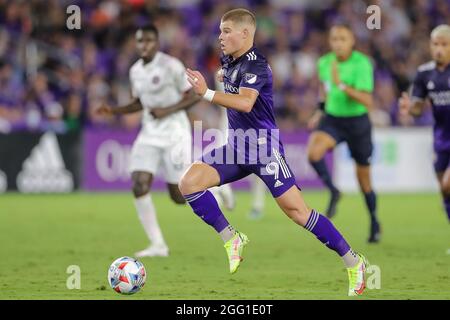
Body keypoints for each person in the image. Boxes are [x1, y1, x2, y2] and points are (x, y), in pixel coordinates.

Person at [180, 8, 369, 296]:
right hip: (236, 146)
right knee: (189, 183)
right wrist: (221, 74)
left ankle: (354, 262)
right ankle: (232, 238)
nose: (220, 36)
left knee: (298, 212)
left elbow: (245, 103)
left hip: (264, 149)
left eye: (226, 31)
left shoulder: (257, 65)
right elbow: (229, 77)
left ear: (245, 33)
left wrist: (206, 92)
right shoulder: (229, 60)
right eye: (220, 31)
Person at [97, 24, 200, 257]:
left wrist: (167, 110)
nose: (145, 45)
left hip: (175, 131)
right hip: (149, 133)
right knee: (139, 183)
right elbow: (139, 103)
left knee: (179, 195)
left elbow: (195, 95)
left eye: (149, 41)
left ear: (157, 42)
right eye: (141, 41)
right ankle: (158, 245)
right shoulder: (135, 71)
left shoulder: (171, 65)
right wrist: (113, 110)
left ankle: (215, 190)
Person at [307, 24, 381, 243]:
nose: (338, 43)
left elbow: (368, 101)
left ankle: (374, 221)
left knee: (364, 181)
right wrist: (318, 112)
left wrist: (342, 86)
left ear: (352, 42)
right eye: (334, 39)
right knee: (314, 153)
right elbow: (323, 91)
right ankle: (334, 191)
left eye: (343, 39)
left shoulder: (362, 63)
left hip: (358, 123)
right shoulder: (324, 62)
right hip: (333, 120)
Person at [399, 24, 450, 223]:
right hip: (440, 139)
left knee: (447, 185)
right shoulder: (424, 73)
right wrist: (409, 108)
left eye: (444, 44)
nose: (439, 49)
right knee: (444, 192)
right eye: (435, 44)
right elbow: (418, 108)